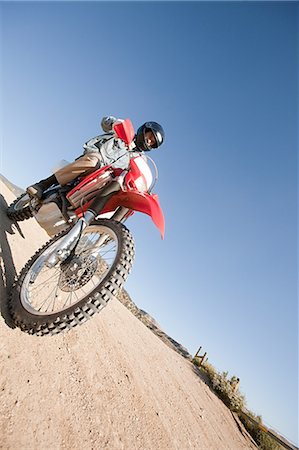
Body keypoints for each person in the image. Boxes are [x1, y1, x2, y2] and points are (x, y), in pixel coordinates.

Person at [26, 116, 165, 200]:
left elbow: (139, 176)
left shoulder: (141, 159)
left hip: (106, 178)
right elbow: (105, 123)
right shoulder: (125, 131)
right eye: (150, 136)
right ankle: (43, 184)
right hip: (96, 158)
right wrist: (114, 122)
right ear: (144, 130)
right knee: (93, 162)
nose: (149, 141)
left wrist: (145, 189)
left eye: (153, 142)